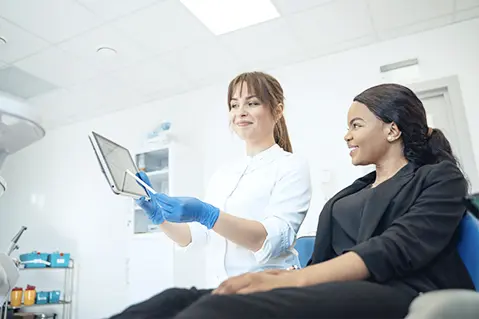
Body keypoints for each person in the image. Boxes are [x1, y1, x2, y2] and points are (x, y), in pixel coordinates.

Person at [110, 83, 475, 319]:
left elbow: (393, 249)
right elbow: (319, 260)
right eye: (234, 104)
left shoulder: (437, 177)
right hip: (336, 286)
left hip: (397, 289)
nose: (346, 135)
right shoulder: (352, 193)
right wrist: (161, 217)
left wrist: (286, 282)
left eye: (357, 125)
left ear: (392, 129)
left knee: (214, 312)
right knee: (171, 301)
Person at [111, 71, 312, 316]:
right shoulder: (223, 173)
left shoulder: (292, 166)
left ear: (278, 110)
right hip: (223, 291)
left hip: (267, 293)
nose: (240, 111)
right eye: (234, 105)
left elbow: (270, 240)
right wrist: (158, 217)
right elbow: (194, 237)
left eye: (252, 103)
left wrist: (208, 214)